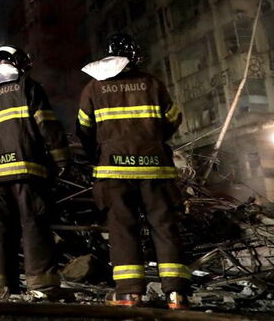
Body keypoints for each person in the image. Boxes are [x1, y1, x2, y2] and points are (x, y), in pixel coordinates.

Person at [76, 33, 190, 310]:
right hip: (155, 169)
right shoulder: (153, 84)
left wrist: (99, 153)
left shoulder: (93, 88)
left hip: (113, 171)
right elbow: (174, 119)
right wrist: (152, 139)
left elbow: (84, 129)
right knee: (164, 227)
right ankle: (176, 295)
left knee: (122, 228)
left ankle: (129, 294)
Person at [0, 45, 70, 298]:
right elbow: (47, 126)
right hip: (26, 169)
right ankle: (42, 286)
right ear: (16, 62)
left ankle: (2, 285)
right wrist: (61, 159)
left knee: (1, 229)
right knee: (33, 224)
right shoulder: (27, 87)